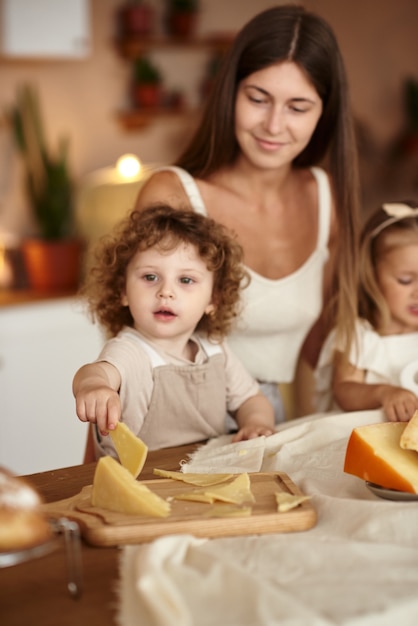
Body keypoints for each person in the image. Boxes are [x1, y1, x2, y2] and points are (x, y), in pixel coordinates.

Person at [133, 4, 360, 422]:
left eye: (298, 106)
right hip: (176, 419)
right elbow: (130, 343)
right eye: (258, 98)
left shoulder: (325, 197)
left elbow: (319, 348)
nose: (274, 125)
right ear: (230, 93)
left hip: (269, 420)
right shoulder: (174, 194)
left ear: (323, 113)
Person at [73, 205, 275, 458]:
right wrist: (94, 387)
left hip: (206, 474)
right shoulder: (131, 350)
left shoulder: (214, 349)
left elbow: (250, 399)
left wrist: (255, 423)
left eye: (186, 280)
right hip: (141, 484)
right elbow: (97, 372)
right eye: (150, 277)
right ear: (123, 291)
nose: (166, 291)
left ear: (214, 299)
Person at [315, 201, 418, 422]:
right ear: (371, 274)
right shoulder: (359, 335)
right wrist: (385, 393)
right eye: (406, 280)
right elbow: (344, 390)